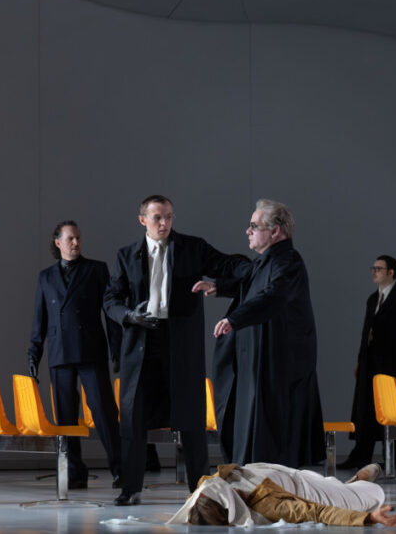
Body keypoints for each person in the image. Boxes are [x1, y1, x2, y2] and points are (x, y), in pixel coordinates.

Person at [103, 195, 232, 504]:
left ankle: (199, 489)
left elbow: (228, 266)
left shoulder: (192, 248)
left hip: (180, 342)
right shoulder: (126, 255)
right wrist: (129, 316)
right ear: (142, 220)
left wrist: (255, 264)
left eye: (169, 217)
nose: (164, 223)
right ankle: (131, 489)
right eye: (158, 217)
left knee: (191, 417)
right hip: (141, 342)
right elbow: (111, 299)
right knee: (133, 417)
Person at [196, 199, 326, 468]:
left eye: (254, 226)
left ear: (275, 231)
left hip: (277, 367)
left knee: (273, 433)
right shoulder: (268, 261)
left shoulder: (288, 261)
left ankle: (265, 478)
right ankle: (251, 474)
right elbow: (253, 285)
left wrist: (234, 318)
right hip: (260, 362)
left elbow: (273, 295)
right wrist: (219, 287)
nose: (248, 231)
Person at [28, 221, 122, 489]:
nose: (76, 243)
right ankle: (75, 472)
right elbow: (40, 319)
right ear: (58, 243)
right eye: (70, 239)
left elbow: (110, 312)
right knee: (65, 416)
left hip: (90, 348)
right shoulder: (46, 277)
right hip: (59, 352)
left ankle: (121, 469)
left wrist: (116, 348)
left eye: (78, 238)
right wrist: (34, 352)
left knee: (104, 412)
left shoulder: (96, 269)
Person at [339, 255, 396, 469]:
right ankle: (361, 456)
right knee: (366, 409)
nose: (374, 271)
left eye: (379, 268)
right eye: (373, 268)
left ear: (391, 272)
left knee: (394, 409)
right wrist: (361, 361)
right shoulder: (373, 299)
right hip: (371, 363)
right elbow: (366, 333)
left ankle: (391, 459)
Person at [167, 461, 396, 526]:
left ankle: (345, 485)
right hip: (309, 493)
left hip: (290, 472)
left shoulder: (211, 486)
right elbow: (316, 512)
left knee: (332, 483)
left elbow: (201, 498)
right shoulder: (269, 505)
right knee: (375, 493)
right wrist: (368, 518)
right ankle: (356, 483)